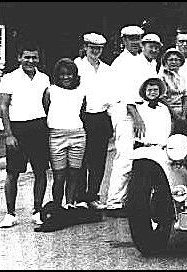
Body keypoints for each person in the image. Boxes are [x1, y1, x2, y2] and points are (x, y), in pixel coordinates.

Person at [0, 41, 51, 227]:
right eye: (26, 57)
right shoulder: (9, 78)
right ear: (19, 58)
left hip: (39, 127)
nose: (30, 60)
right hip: (18, 128)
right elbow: (3, 107)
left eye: (34, 57)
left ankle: (37, 210)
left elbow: (46, 103)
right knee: (13, 172)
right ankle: (10, 214)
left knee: (40, 171)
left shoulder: (44, 78)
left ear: (38, 58)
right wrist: (9, 134)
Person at [106, 25, 155, 214]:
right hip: (127, 114)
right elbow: (126, 96)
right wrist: (136, 117)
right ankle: (114, 201)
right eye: (131, 39)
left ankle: (128, 199)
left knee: (143, 157)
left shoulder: (144, 61)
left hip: (143, 112)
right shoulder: (121, 63)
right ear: (123, 41)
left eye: (138, 38)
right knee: (125, 157)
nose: (135, 42)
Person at [74, 33, 113, 210]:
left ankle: (93, 196)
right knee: (81, 159)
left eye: (98, 48)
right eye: (92, 48)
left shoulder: (107, 69)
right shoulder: (77, 66)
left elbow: (113, 96)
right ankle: (79, 196)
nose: (95, 51)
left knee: (98, 160)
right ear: (85, 47)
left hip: (101, 117)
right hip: (82, 117)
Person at [43, 58, 87, 209]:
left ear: (75, 75)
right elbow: (46, 109)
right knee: (59, 175)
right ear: (57, 75)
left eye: (69, 74)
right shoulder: (51, 90)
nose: (66, 77)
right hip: (56, 136)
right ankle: (56, 207)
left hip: (77, 135)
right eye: (62, 74)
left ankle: (69, 204)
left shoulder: (81, 91)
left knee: (74, 173)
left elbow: (82, 113)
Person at [159, 47, 187, 137]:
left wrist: (184, 115)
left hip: (181, 113)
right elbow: (162, 98)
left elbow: (184, 97)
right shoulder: (162, 76)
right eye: (171, 60)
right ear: (166, 61)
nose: (174, 62)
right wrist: (175, 116)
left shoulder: (181, 77)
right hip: (168, 112)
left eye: (177, 60)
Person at [134, 78, 173, 147]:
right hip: (142, 146)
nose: (152, 92)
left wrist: (162, 143)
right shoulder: (139, 108)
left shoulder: (164, 108)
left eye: (155, 90)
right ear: (144, 91)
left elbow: (167, 128)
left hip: (160, 146)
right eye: (149, 90)